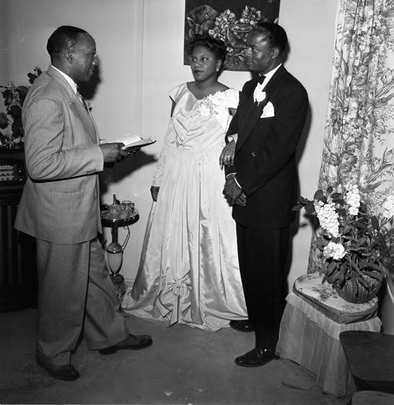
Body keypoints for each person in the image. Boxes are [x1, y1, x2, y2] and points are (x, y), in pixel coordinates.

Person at [15, 26, 152, 382]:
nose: (95, 61)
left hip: (78, 211)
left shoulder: (67, 92)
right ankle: (52, 352)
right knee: (62, 290)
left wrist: (108, 151)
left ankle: (110, 335)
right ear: (69, 55)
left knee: (95, 279)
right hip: (59, 217)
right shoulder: (47, 96)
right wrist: (97, 155)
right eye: (91, 54)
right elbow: (40, 165)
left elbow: (70, 146)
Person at [122, 34, 247, 330]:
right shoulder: (179, 92)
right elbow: (169, 138)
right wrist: (159, 176)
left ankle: (211, 298)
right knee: (171, 231)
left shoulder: (231, 97)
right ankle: (164, 293)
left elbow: (238, 136)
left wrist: (234, 149)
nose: (197, 64)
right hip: (177, 171)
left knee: (208, 232)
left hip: (208, 174)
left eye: (204, 59)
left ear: (219, 63)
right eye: (194, 58)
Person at [221, 22, 308, 367]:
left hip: (269, 198)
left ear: (274, 53)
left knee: (269, 274)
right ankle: (258, 318)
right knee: (250, 268)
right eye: (247, 47)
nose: (247, 53)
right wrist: (231, 172)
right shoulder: (248, 86)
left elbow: (278, 150)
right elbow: (235, 133)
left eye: (254, 49)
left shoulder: (292, 92)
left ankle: (268, 343)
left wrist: (241, 184)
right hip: (244, 192)